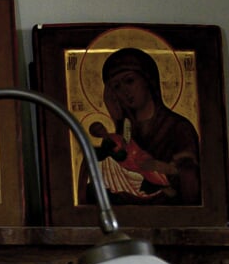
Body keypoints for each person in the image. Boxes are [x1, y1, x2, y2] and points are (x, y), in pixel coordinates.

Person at [83, 47, 203, 206]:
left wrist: (162, 167)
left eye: (130, 81)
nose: (125, 91)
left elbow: (191, 180)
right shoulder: (125, 130)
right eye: (117, 87)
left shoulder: (178, 127)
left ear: (148, 80)